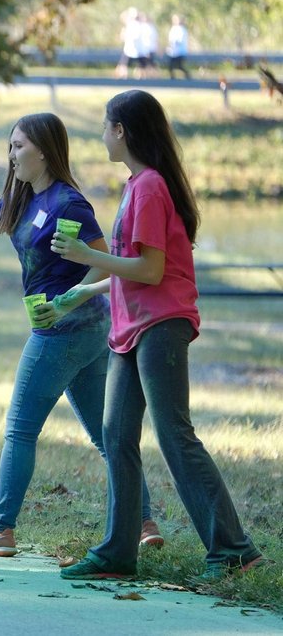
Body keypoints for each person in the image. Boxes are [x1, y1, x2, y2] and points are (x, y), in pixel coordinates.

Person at [0, 112, 160, 557]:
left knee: (20, 429)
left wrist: (70, 297)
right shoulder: (19, 199)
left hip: (65, 330)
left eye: (19, 146)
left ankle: (0, 529)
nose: (12, 154)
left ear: (43, 149)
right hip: (86, 332)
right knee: (104, 434)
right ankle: (143, 521)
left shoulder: (68, 203)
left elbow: (106, 260)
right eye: (10, 146)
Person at [54, 90, 263, 582]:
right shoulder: (136, 186)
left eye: (106, 126)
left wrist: (87, 257)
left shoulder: (149, 187)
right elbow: (132, 267)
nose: (102, 134)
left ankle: (233, 550)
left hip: (160, 325)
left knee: (174, 435)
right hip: (130, 328)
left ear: (121, 130)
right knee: (116, 434)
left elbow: (151, 270)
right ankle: (117, 553)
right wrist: (82, 293)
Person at [166, 15, 191, 79]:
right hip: (173, 52)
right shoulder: (173, 28)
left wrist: (173, 44)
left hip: (180, 52)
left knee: (179, 66)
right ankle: (173, 79)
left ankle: (187, 76)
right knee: (171, 66)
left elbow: (179, 40)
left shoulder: (182, 29)